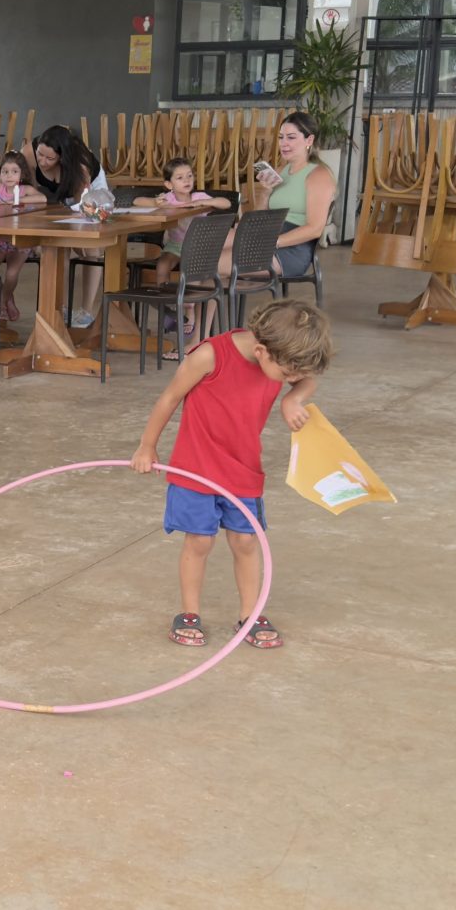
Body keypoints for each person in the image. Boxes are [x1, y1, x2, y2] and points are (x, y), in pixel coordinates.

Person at [129, 298, 333, 653]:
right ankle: (189, 614)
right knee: (199, 541)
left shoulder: (281, 357)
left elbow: (308, 379)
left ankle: (250, 615)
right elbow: (170, 397)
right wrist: (147, 446)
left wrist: (292, 399)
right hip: (195, 468)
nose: (291, 380)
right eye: (287, 375)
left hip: (243, 469)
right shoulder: (210, 356)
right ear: (261, 351)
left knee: (246, 541)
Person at [231, 112, 337, 282]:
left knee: (208, 263)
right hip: (268, 235)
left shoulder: (319, 175)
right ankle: (197, 300)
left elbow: (315, 228)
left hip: (293, 249)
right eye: (281, 137)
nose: (283, 143)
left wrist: (272, 241)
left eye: (291, 137)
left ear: (309, 140)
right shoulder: (280, 171)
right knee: (207, 248)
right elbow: (258, 219)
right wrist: (265, 192)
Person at [0, 150, 44, 327]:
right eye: (5, 171)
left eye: (14, 171)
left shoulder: (25, 189)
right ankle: (7, 297)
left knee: (12, 273)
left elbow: (42, 198)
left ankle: (2, 302)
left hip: (20, 242)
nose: (9, 176)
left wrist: (20, 198)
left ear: (22, 174)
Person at [148, 155, 231, 287]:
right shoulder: (168, 199)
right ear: (169, 184)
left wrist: (203, 202)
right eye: (180, 178)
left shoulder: (198, 197)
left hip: (198, 246)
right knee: (162, 265)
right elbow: (138, 200)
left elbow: (226, 203)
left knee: (191, 275)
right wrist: (156, 202)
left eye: (189, 176)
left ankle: (191, 297)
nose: (186, 180)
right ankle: (163, 294)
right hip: (175, 246)